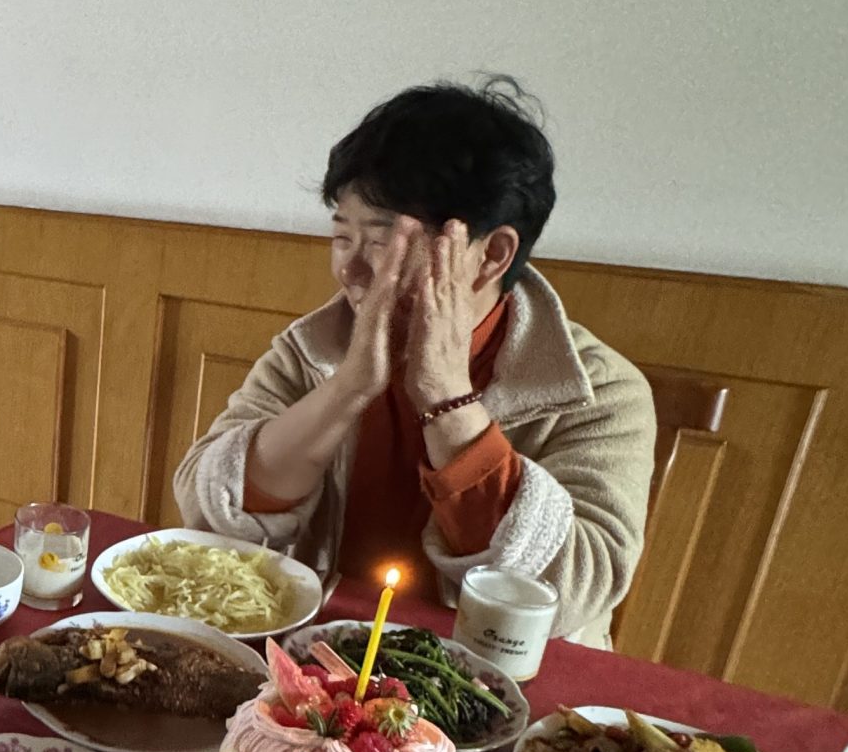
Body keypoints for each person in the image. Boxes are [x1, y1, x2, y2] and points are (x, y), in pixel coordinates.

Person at [175, 80, 655, 644]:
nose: (351, 270)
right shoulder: (314, 348)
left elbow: (576, 591)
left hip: (483, 678)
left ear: (492, 253)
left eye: (382, 242)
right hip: (314, 656)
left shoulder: (599, 390)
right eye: (342, 237)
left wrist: (448, 400)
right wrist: (346, 390)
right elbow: (207, 507)